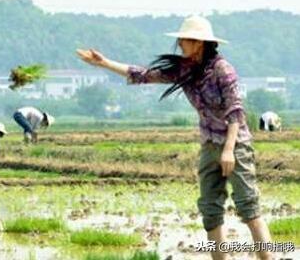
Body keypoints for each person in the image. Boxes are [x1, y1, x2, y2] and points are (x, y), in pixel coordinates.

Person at [77, 16, 273, 260]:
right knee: (210, 212)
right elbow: (144, 75)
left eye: (184, 39)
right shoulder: (185, 70)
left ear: (199, 43)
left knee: (249, 208)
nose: (179, 43)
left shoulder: (224, 70)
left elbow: (235, 112)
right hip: (210, 145)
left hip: (235, 147)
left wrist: (229, 150)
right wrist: (104, 63)